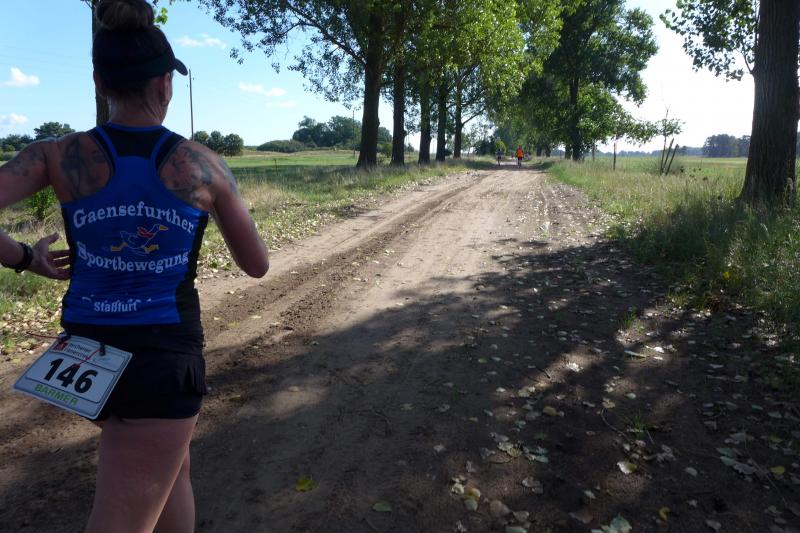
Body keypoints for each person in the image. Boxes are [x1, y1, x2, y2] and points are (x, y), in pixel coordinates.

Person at [0, 0, 268, 531]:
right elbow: (256, 264)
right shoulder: (203, 164)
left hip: (85, 349)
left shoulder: (57, 155)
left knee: (171, 468)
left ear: (99, 82)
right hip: (160, 359)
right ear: (165, 85)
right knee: (125, 513)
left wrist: (25, 257)